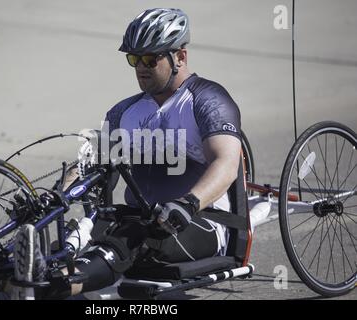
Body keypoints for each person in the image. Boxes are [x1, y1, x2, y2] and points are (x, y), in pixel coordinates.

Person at [13, 7, 242, 300]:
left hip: (199, 221)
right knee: (94, 225)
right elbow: (90, 165)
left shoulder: (208, 99)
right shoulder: (124, 113)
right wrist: (56, 196)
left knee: (132, 236)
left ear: (180, 57)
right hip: (140, 217)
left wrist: (189, 203)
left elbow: (226, 163)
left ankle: (52, 285)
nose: (140, 67)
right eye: (134, 58)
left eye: (150, 58)